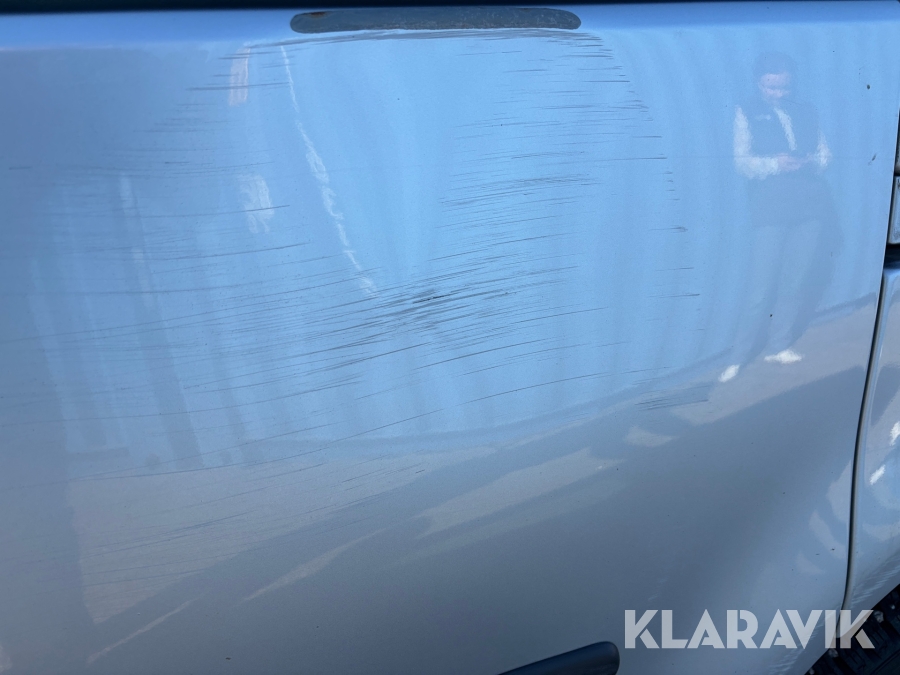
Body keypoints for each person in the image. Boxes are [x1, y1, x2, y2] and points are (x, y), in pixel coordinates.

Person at [722, 52, 838, 382]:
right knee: (760, 288)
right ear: (758, 82)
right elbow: (741, 162)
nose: (778, 93)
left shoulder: (807, 110)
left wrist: (811, 162)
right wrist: (775, 164)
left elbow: (826, 155)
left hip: (810, 207)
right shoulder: (745, 111)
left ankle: (778, 346)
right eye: (771, 87)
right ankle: (738, 357)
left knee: (795, 280)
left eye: (784, 87)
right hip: (771, 210)